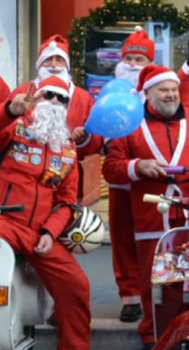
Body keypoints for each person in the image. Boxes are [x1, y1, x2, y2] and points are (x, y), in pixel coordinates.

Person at [103, 65, 189, 350]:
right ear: (147, 93)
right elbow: (111, 168)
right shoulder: (129, 124)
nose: (171, 95)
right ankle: (151, 335)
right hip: (150, 214)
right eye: (163, 90)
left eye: (173, 90)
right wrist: (138, 166)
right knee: (153, 278)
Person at [0, 76, 90, 350]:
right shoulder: (12, 129)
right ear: (35, 98)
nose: (54, 101)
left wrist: (51, 232)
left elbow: (66, 201)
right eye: (48, 95)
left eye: (61, 98)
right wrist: (9, 111)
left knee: (77, 285)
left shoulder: (68, 148)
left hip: (39, 231)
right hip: (3, 221)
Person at [88, 26, 156, 324]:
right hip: (118, 178)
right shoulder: (108, 92)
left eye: (139, 60)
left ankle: (155, 295)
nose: (132, 64)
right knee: (122, 240)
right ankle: (129, 298)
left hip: (151, 179)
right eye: (129, 58)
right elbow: (95, 133)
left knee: (152, 240)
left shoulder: (156, 95)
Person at [3, 35, 95, 157]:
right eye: (48, 59)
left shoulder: (84, 98)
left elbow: (97, 143)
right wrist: (11, 110)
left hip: (65, 168)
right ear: (39, 64)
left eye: (59, 60)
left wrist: (83, 140)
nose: (53, 65)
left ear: (66, 66)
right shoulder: (22, 92)